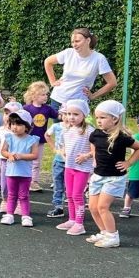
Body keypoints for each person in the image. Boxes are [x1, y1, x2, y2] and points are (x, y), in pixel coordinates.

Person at [85, 101, 139, 249]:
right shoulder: (96, 134)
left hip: (115, 177)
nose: (98, 120)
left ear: (115, 119)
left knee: (102, 207)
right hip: (98, 176)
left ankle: (113, 236)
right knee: (93, 207)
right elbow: (93, 143)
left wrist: (128, 163)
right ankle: (104, 232)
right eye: (97, 117)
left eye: (103, 117)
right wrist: (94, 155)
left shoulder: (122, 137)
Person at [43, 27, 117, 109]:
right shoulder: (68, 53)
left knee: (80, 122)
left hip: (79, 104)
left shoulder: (99, 58)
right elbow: (48, 62)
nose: (74, 44)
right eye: (72, 42)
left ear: (88, 40)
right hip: (58, 100)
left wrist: (93, 96)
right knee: (59, 123)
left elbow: (112, 83)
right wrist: (52, 82)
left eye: (77, 41)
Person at [55, 99, 95, 236]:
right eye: (69, 113)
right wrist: (64, 152)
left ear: (84, 115)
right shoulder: (67, 130)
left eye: (76, 114)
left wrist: (86, 156)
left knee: (77, 195)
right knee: (70, 195)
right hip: (69, 166)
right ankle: (72, 219)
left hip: (82, 168)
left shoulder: (89, 131)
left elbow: (95, 150)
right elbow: (64, 146)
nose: (71, 117)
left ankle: (79, 223)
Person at [0, 110, 39, 227]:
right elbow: (3, 151)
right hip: (11, 172)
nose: (15, 127)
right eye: (12, 124)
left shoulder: (32, 140)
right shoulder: (9, 137)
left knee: (24, 195)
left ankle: (26, 216)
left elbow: (34, 155)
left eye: (19, 124)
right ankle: (9, 214)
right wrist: (9, 155)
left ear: (26, 126)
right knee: (11, 194)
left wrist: (21, 156)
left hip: (25, 173)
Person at [22, 81, 58, 192]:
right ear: (34, 96)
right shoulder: (26, 109)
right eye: (42, 94)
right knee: (25, 160)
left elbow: (58, 115)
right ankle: (24, 180)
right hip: (27, 139)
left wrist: (66, 111)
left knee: (36, 162)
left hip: (40, 140)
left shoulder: (47, 109)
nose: (45, 97)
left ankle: (34, 182)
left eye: (46, 94)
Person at [44, 105, 69, 218]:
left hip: (72, 162)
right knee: (58, 184)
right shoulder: (57, 126)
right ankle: (58, 206)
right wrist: (54, 148)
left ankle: (76, 207)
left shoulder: (76, 128)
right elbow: (47, 135)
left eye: (69, 114)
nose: (67, 117)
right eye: (64, 114)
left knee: (71, 186)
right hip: (59, 160)